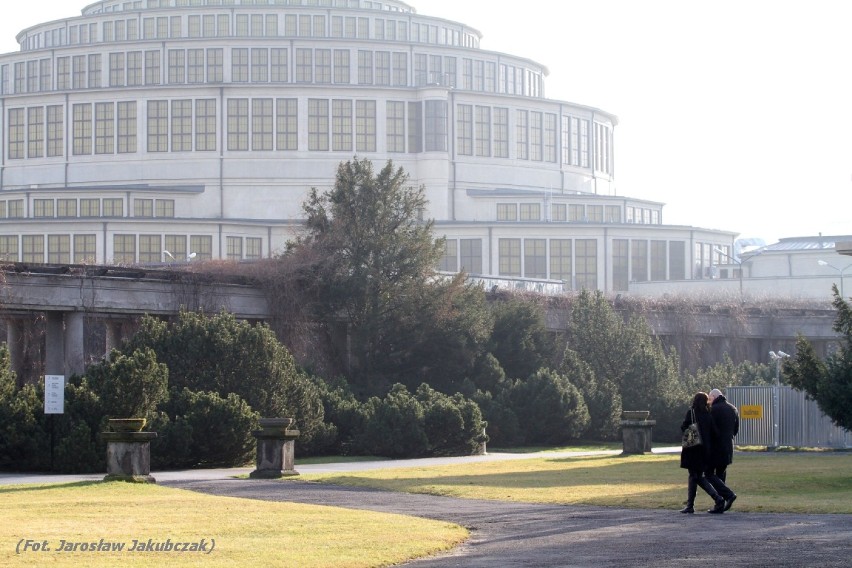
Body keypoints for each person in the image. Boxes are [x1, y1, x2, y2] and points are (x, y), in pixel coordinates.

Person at [679, 392, 734, 514]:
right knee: (695, 476)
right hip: (705, 450)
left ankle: (717, 498)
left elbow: (684, 427)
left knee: (696, 476)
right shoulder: (708, 415)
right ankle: (690, 505)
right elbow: (715, 433)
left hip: (693, 449)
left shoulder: (691, 413)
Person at [708, 388, 740, 511]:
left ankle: (728, 495)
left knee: (709, 473)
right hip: (728, 445)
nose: (709, 401)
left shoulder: (713, 410)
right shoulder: (733, 409)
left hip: (715, 446)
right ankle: (720, 504)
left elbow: (710, 429)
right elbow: (736, 429)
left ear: (714, 397)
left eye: (710, 398)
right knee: (721, 474)